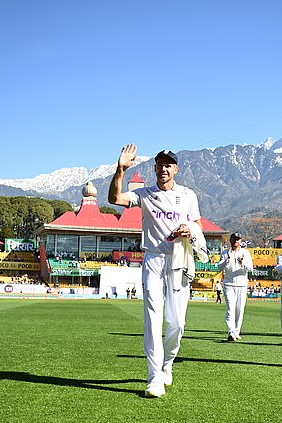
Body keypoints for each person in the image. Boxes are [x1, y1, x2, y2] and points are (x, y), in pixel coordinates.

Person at [108, 144, 204, 398]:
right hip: (153, 259)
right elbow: (114, 199)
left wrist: (189, 231)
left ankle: (167, 363)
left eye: (168, 164)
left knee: (177, 323)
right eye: (159, 164)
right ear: (154, 168)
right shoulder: (145, 194)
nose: (163, 168)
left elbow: (197, 224)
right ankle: (154, 377)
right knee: (152, 318)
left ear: (176, 169)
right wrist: (120, 170)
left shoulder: (188, 195)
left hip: (179, 259)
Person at [218, 232, 253, 342]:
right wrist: (227, 260)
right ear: (231, 240)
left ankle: (237, 331)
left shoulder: (245, 253)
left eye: (238, 239)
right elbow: (219, 268)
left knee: (239, 309)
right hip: (229, 284)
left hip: (242, 284)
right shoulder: (225, 253)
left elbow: (251, 269)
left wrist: (242, 263)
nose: (236, 241)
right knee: (230, 308)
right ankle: (231, 331)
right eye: (234, 239)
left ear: (240, 241)